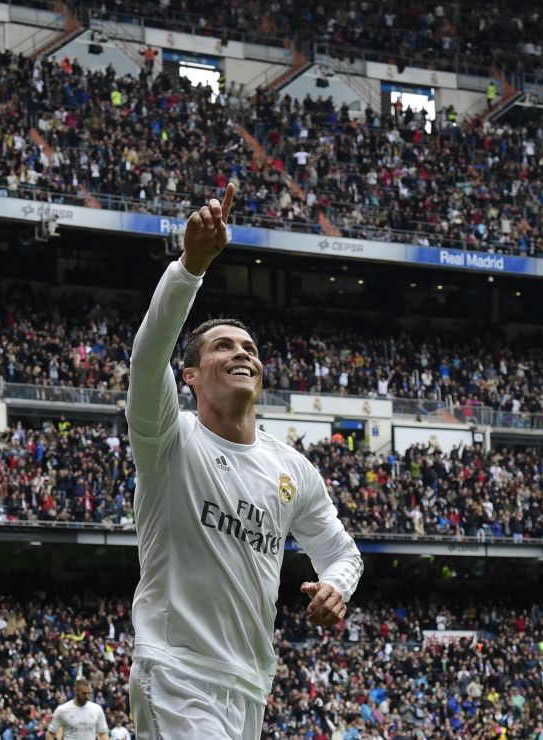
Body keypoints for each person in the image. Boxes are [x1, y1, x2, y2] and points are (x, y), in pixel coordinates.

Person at [126, 183, 363, 739]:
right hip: (176, 671)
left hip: (250, 685)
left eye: (251, 350)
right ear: (190, 375)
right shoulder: (168, 439)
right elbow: (147, 355)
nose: (242, 354)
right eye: (224, 347)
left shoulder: (292, 470)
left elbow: (340, 551)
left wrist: (336, 585)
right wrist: (191, 266)